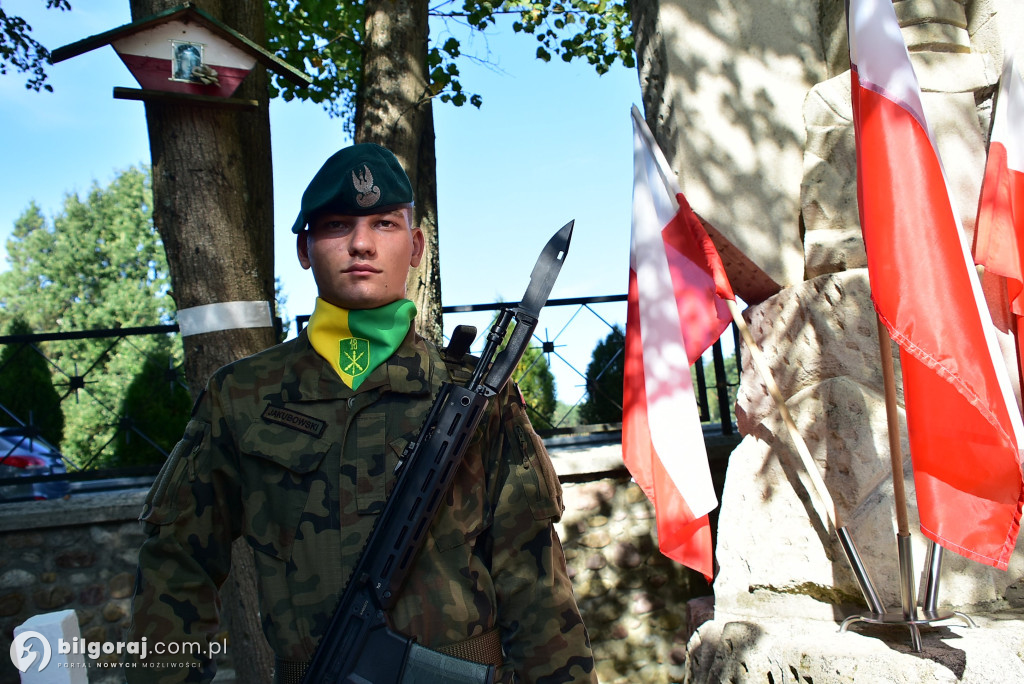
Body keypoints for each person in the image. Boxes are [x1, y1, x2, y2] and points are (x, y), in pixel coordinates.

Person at [126, 143, 596, 684]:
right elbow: (174, 573)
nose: (361, 243)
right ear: (304, 249)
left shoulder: (473, 396)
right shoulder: (242, 396)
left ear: (417, 245)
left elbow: (535, 583)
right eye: (336, 225)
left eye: (384, 223)